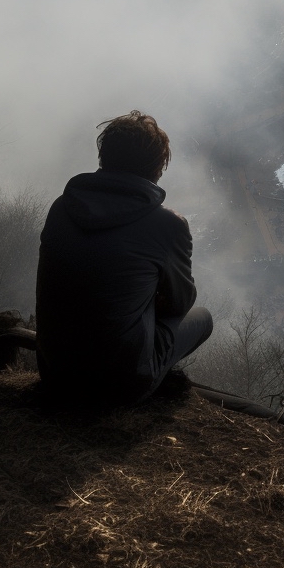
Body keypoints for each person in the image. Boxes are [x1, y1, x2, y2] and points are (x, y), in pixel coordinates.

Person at [35, 111, 213, 407]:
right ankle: (155, 378)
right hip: (120, 387)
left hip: (55, 374)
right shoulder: (168, 225)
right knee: (203, 318)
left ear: (104, 156)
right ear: (158, 166)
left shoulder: (61, 207)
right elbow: (181, 302)